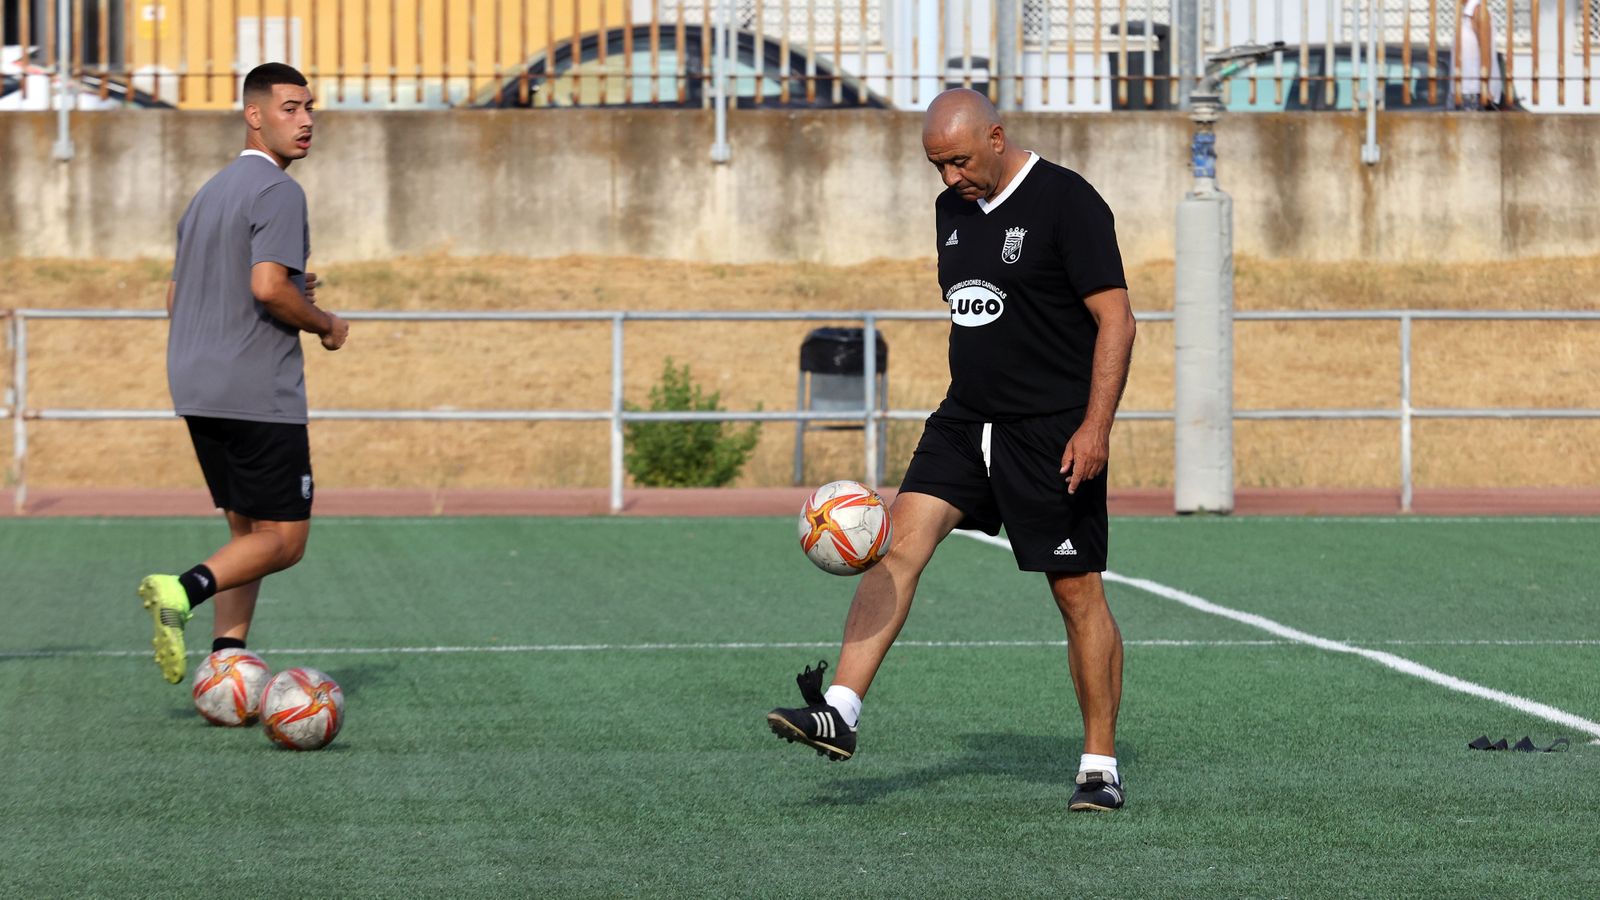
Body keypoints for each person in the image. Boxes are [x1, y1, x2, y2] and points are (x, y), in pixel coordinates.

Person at [766, 89, 1138, 812]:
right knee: (895, 547)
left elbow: (1117, 322)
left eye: (960, 162)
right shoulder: (952, 210)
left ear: (996, 137)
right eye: (937, 165)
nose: (949, 178)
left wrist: (1095, 427)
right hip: (964, 423)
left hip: (1050, 433)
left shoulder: (1068, 202)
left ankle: (1099, 765)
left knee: (1076, 594)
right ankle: (840, 710)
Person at [139, 62, 348, 685]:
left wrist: (289, 289)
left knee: (246, 533)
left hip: (195, 385)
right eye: (290, 108)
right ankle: (182, 590)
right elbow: (267, 288)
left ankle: (225, 664)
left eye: (309, 108)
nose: (306, 121)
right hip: (256, 389)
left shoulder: (209, 192)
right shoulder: (279, 190)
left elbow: (178, 297)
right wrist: (323, 322)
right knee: (284, 540)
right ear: (254, 115)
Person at [1454, 0, 1506, 110]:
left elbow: (1486, 51)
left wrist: (1485, 86)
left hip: (1474, 91)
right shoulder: (1466, 14)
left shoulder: (1478, 11)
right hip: (1463, 91)